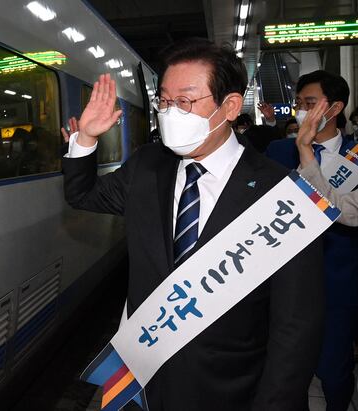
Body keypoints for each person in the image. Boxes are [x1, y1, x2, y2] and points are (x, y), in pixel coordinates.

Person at [62, 38, 324, 411]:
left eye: (184, 102)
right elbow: (83, 195)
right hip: (145, 383)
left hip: (229, 388)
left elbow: (295, 327)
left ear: (230, 106)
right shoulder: (148, 166)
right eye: (164, 102)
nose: (170, 114)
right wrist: (86, 137)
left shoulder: (280, 194)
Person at [265, 69, 358, 411]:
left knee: (334, 369)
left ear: (335, 108)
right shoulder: (278, 151)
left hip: (338, 283)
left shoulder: (355, 157)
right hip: (284, 283)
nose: (302, 111)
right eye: (299, 103)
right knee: (289, 373)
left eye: (310, 103)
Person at [295, 100, 358, 226]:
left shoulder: (353, 152)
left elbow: (342, 211)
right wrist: (305, 148)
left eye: (310, 103)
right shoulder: (279, 149)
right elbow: (342, 208)